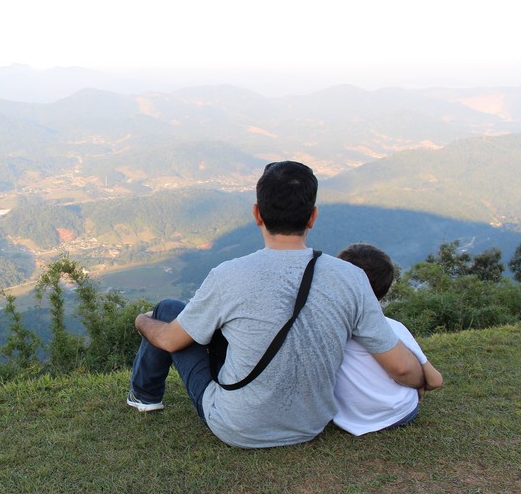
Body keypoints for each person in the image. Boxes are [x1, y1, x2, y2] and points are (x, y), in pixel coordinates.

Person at [127, 161, 425, 448]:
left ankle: (145, 396)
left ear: (257, 214)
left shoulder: (228, 275)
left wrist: (141, 320)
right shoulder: (351, 278)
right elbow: (401, 368)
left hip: (237, 427)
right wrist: (426, 381)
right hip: (310, 425)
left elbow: (168, 339)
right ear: (313, 217)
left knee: (167, 309)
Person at [333, 243, 443, 435]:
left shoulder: (327, 327)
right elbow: (435, 380)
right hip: (398, 414)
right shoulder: (392, 327)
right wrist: (420, 384)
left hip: (345, 418)